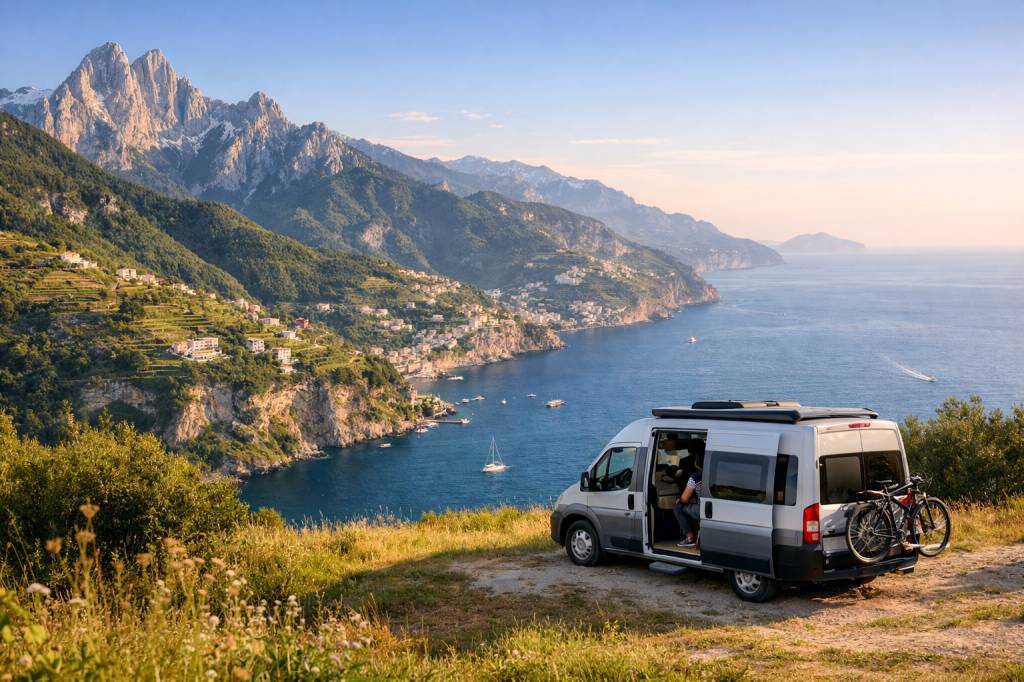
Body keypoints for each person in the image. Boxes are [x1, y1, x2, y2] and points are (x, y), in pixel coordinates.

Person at [673, 443, 705, 548]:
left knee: (678, 508)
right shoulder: (715, 474)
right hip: (715, 507)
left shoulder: (695, 477)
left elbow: (684, 499)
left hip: (703, 510)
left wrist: (679, 500)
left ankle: (690, 538)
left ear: (697, 462)